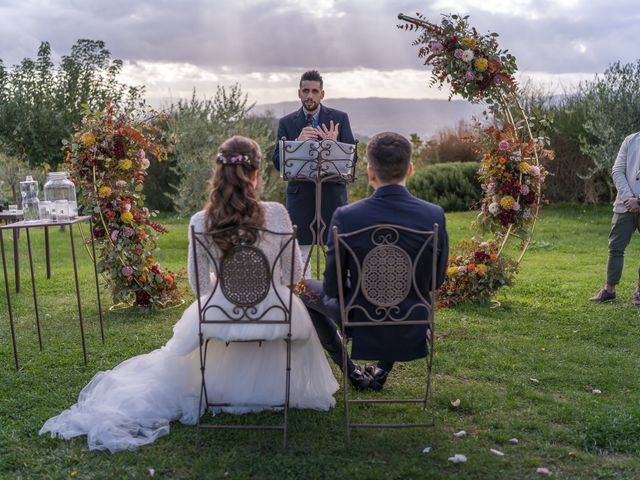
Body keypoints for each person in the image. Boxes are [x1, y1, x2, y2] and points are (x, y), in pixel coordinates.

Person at [39, 136, 338, 453]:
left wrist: (225, 287)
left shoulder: (200, 221)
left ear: (217, 172)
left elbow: (201, 287)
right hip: (276, 314)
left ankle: (219, 387)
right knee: (296, 314)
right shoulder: (277, 213)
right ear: (256, 172)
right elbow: (293, 275)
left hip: (222, 313)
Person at [304, 132, 449, 391]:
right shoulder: (433, 215)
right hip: (411, 319)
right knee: (401, 292)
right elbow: (436, 279)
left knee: (304, 290)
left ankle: (352, 373)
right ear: (411, 169)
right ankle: (381, 369)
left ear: (370, 172)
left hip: (358, 321)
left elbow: (332, 287)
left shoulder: (346, 217)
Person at [272, 70, 355, 272]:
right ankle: (303, 300)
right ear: (299, 93)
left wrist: (334, 145)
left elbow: (352, 159)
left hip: (332, 196)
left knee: (335, 253)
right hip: (300, 198)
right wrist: (296, 143)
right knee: (300, 255)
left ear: (322, 94)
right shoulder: (286, 123)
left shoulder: (340, 119)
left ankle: (335, 298)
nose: (310, 95)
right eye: (305, 90)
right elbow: (277, 162)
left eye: (314, 91)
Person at [591, 131, 640, 304]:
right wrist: (629, 198)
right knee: (616, 247)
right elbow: (617, 170)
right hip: (624, 205)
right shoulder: (630, 140)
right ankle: (609, 291)